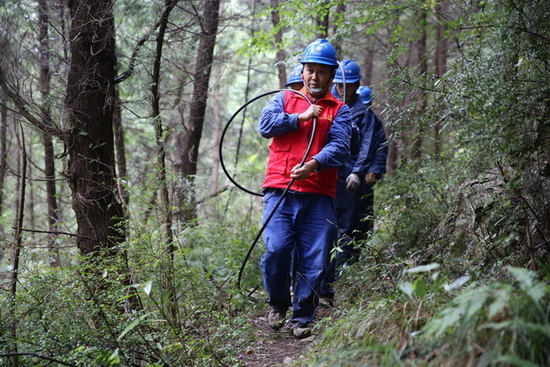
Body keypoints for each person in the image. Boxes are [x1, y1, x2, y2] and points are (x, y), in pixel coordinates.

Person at [258, 39, 351, 339]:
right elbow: (265, 125)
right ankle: (277, 303)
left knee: (315, 257)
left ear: (331, 75)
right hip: (279, 190)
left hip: (319, 195)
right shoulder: (284, 98)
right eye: (310, 70)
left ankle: (302, 318)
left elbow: (340, 147)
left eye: (322, 72)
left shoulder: (339, 109)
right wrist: (298, 117)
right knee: (277, 249)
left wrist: (314, 163)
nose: (314, 77)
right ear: (302, 70)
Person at [320, 60, 388, 304]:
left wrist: (360, 172)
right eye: (338, 86)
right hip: (329, 178)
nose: (341, 91)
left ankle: (341, 279)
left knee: (348, 228)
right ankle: (320, 282)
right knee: (325, 230)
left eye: (346, 87)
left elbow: (371, 145)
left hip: (350, 181)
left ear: (356, 86)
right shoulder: (331, 107)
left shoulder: (365, 114)